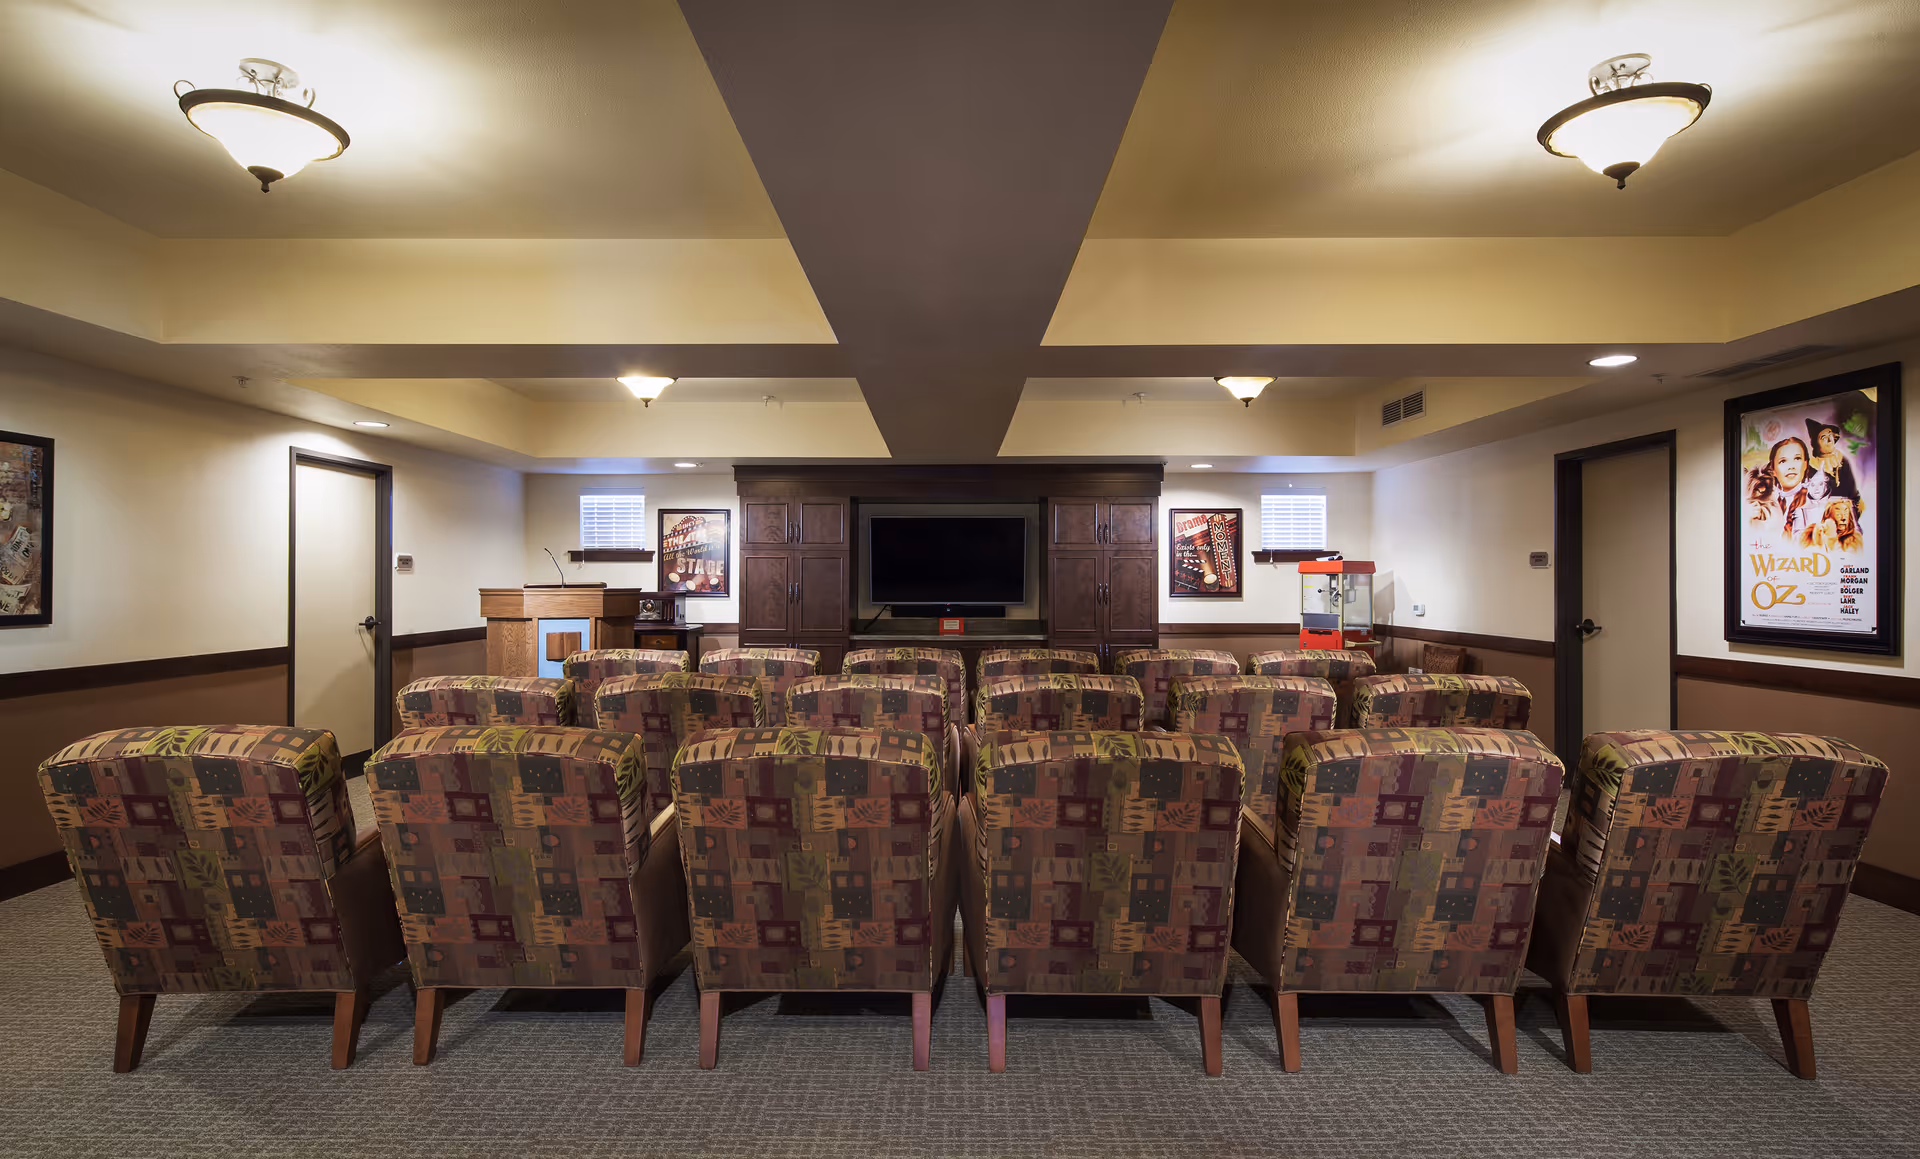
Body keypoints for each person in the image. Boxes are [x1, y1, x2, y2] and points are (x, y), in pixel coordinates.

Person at [1750, 436, 1815, 544]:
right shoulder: (1766, 503)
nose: (1791, 466)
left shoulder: (1815, 502)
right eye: (1783, 461)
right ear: (1773, 469)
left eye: (1797, 459)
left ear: (1805, 464)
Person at [1805, 417, 1861, 510]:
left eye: (1830, 436)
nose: (1830, 440)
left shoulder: (1842, 461)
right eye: (1824, 438)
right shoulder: (1811, 466)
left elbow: (1852, 492)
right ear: (1815, 443)